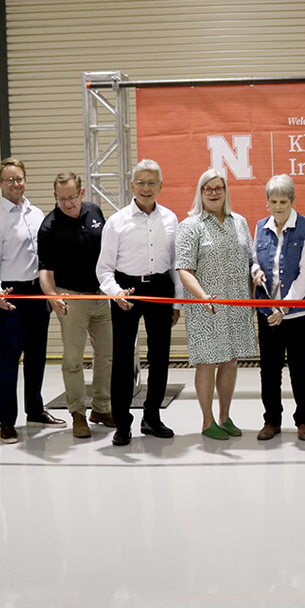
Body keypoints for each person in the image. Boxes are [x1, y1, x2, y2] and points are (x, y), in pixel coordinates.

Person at [96, 160, 183, 446]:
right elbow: (104, 269)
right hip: (126, 291)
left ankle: (152, 418)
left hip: (160, 290)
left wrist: (177, 303)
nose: (146, 189)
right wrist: (116, 293)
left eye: (151, 183)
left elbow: (176, 265)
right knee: (122, 359)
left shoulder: (171, 219)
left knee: (159, 357)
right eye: (141, 183)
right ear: (132, 186)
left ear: (160, 186)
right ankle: (122, 424)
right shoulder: (117, 222)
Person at [0, 158, 65, 443]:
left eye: (19, 179)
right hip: (10, 296)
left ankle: (35, 410)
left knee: (37, 356)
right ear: (0, 184)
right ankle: (7, 421)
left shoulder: (36, 213)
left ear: (25, 179)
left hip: (37, 293)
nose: (15, 184)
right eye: (9, 180)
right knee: (9, 359)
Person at [176, 169, 257, 440]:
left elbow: (251, 259)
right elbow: (185, 269)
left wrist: (256, 273)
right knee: (208, 362)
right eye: (207, 188)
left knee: (231, 361)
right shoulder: (190, 226)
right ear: (200, 192)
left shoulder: (240, 223)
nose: (213, 193)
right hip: (206, 305)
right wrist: (203, 296)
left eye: (218, 188)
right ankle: (207, 421)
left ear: (225, 191)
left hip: (236, 302)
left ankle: (225, 416)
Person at [38, 172, 113, 439]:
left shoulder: (94, 211)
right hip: (71, 298)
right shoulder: (49, 226)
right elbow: (45, 271)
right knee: (73, 359)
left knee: (106, 354)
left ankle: (102, 408)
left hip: (101, 295)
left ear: (82, 193)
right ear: (55, 196)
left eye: (72, 197)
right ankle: (78, 413)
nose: (68, 204)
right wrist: (52, 296)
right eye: (61, 199)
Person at [251, 174, 305, 442]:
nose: (278, 206)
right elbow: (254, 257)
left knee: (300, 368)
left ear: (292, 201)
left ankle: (303, 420)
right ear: (267, 202)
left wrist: (285, 308)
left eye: (283, 201)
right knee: (269, 369)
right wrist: (255, 271)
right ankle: (272, 420)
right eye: (273, 201)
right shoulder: (260, 226)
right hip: (267, 313)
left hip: (298, 314)